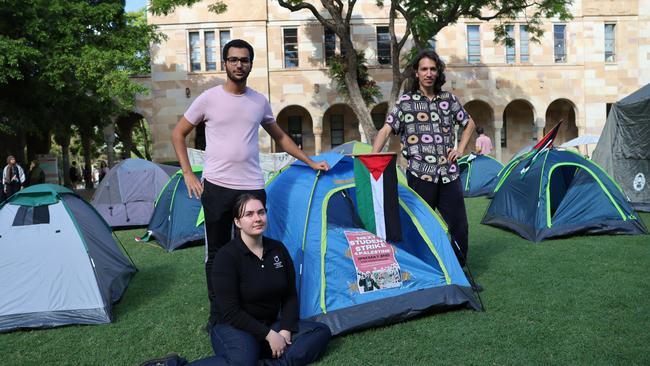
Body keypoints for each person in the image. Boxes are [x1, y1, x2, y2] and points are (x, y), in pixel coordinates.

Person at [171, 39, 329, 324]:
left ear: (251, 64)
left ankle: (253, 309)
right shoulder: (208, 99)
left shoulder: (259, 101)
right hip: (217, 187)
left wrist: (309, 161)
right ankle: (219, 314)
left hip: (251, 188)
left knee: (254, 250)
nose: (238, 65)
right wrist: (187, 172)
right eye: (233, 60)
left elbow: (280, 136)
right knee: (218, 254)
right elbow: (178, 133)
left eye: (244, 60)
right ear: (225, 64)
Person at [139, 195, 331, 366]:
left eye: (261, 212)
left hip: (270, 323)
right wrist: (268, 335)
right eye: (249, 214)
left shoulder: (278, 249)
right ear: (237, 222)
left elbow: (289, 295)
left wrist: (286, 330)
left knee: (320, 332)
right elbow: (230, 312)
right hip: (232, 327)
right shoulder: (226, 257)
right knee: (242, 361)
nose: (257, 218)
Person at [372, 49, 476, 268]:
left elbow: (469, 123)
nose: (429, 73)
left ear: (438, 73)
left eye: (433, 69)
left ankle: (459, 271)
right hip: (420, 175)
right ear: (416, 73)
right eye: (424, 69)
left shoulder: (449, 100)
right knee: (420, 227)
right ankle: (426, 271)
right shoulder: (405, 102)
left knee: (459, 226)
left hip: (449, 175)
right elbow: (386, 129)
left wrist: (460, 149)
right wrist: (371, 158)